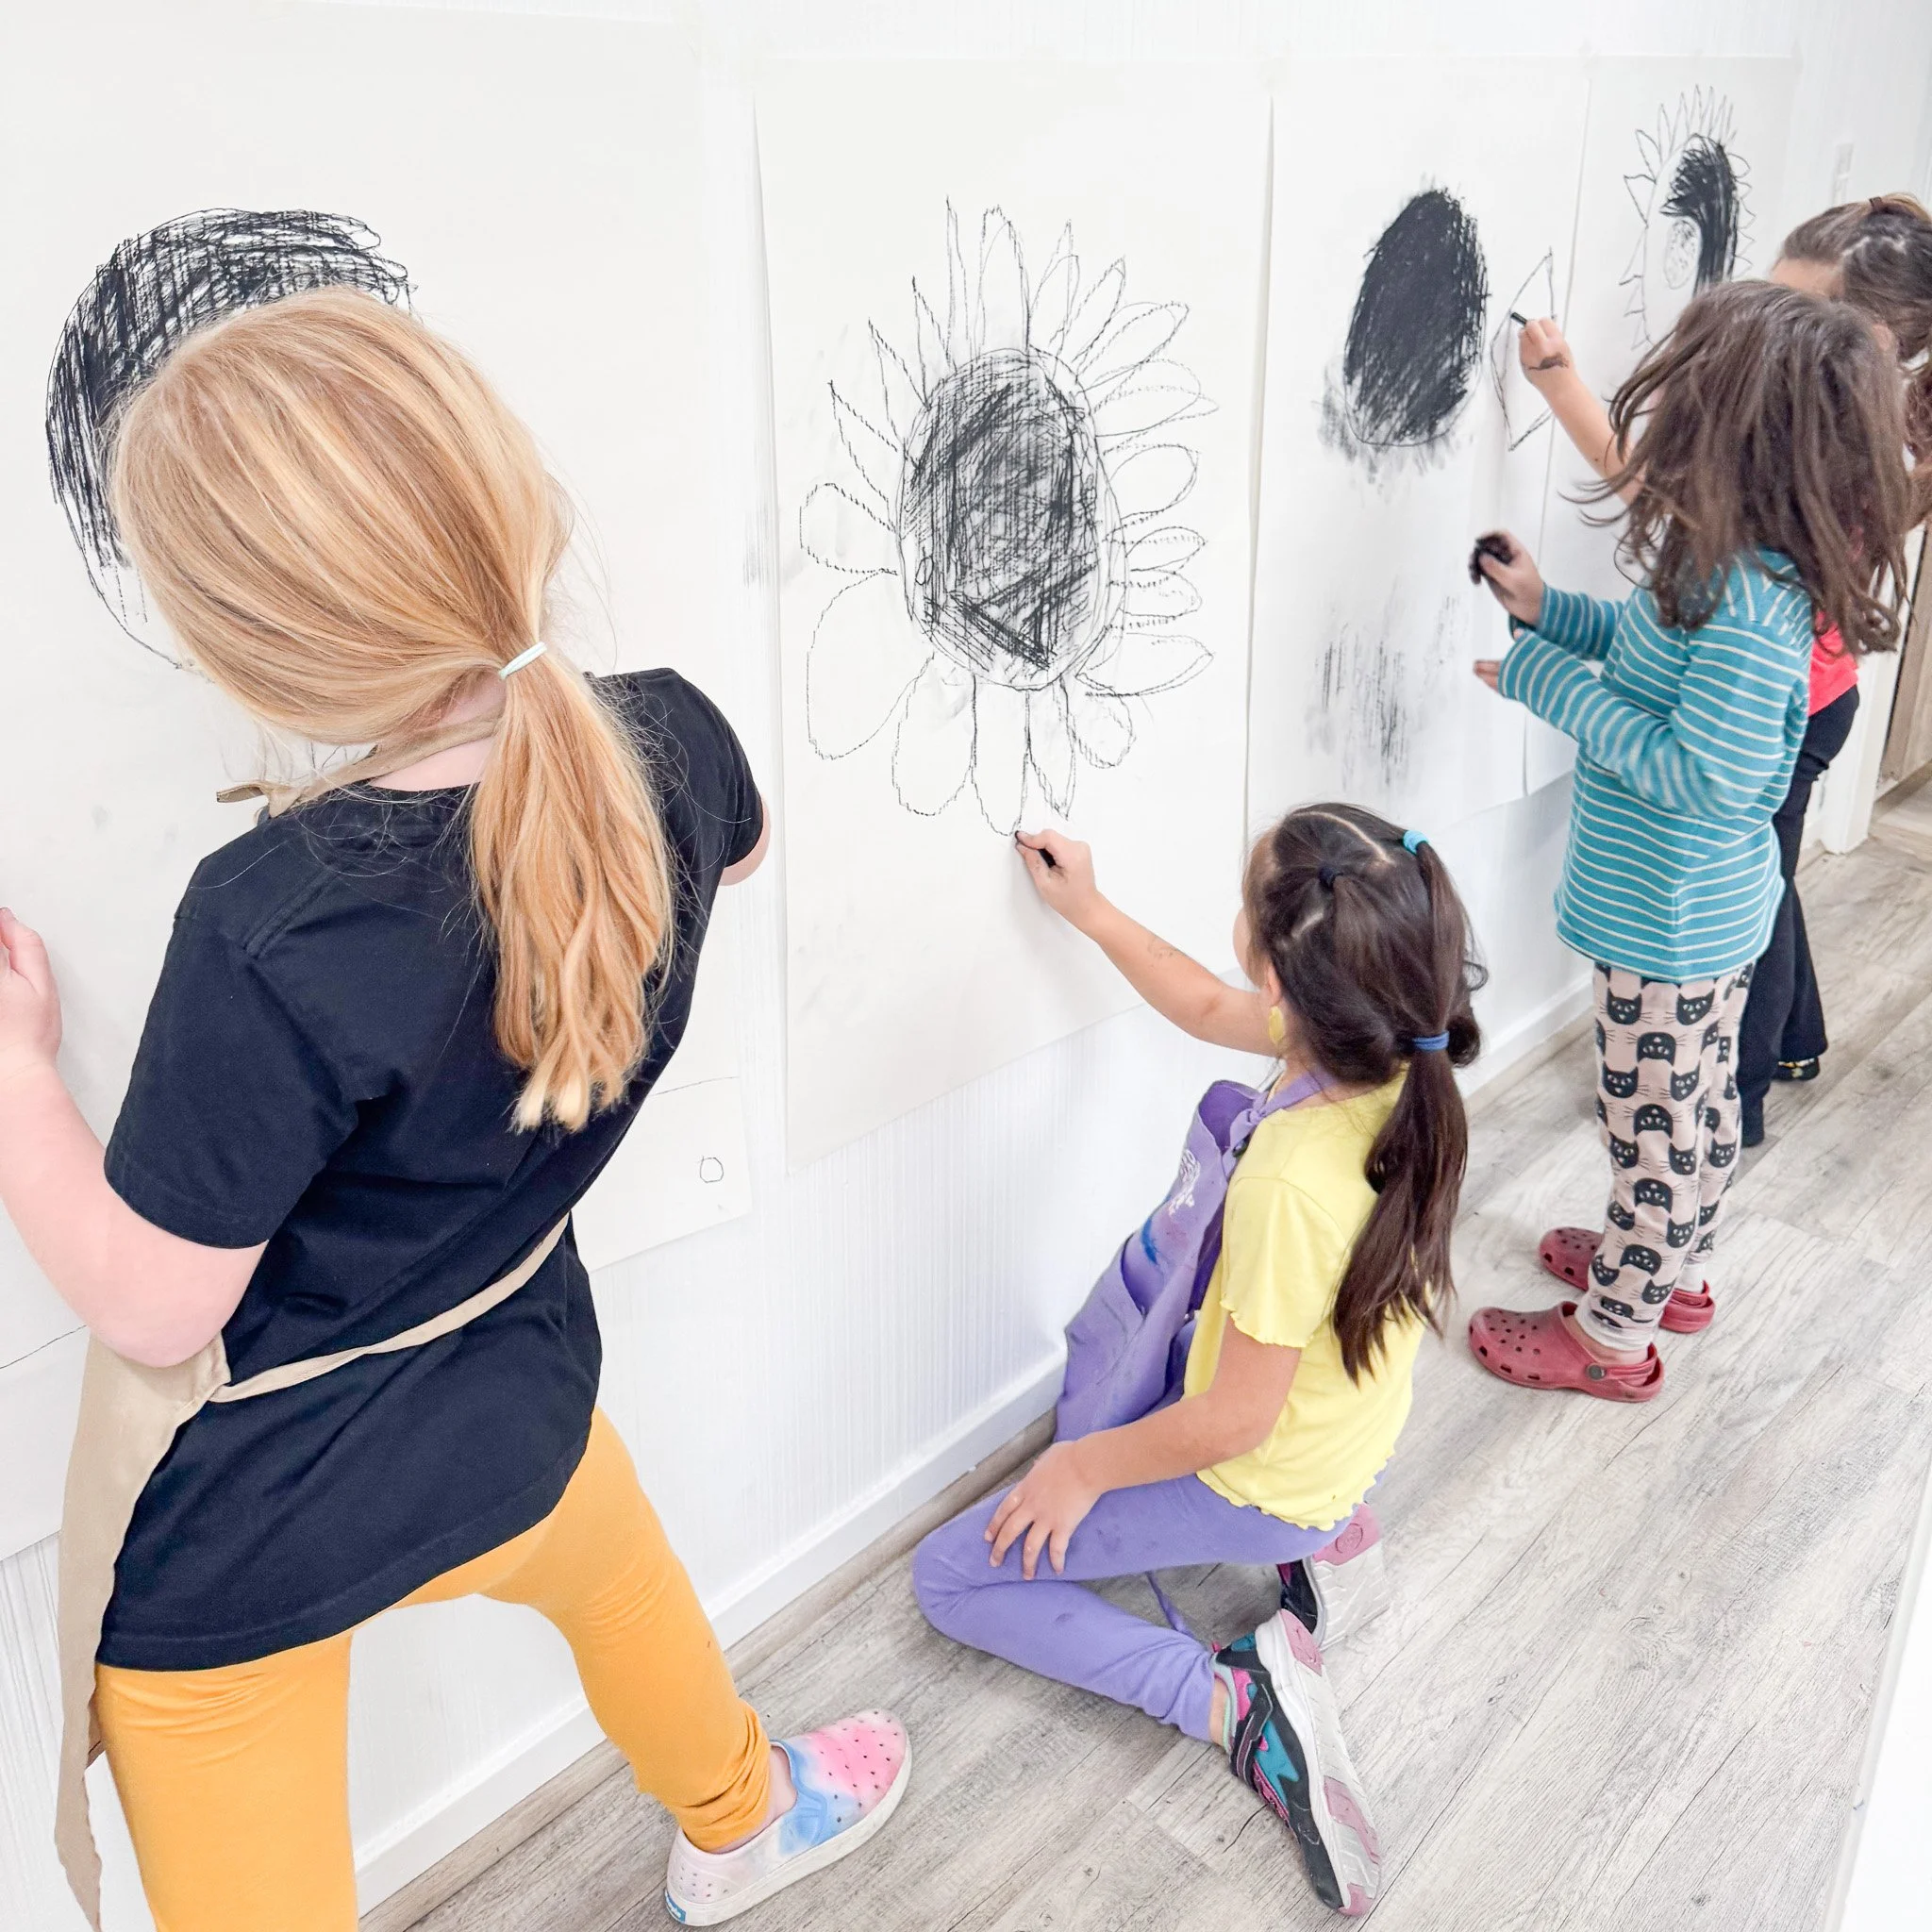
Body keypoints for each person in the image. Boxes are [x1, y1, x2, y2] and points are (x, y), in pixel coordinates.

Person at [0, 290, 906, 1932]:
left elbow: (151, 1298)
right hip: (514, 1399)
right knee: (629, 1588)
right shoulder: (673, 737)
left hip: (252, 1529)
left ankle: (743, 1807)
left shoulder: (270, 918)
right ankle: (745, 1814)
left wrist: (11, 1078)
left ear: (249, 655)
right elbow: (743, 848)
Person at [912, 805, 1485, 1920]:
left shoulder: (1290, 1176)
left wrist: (1079, 1470)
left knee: (950, 1574)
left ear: (1276, 967)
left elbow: (1230, 1419)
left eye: (1239, 896)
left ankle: (1232, 1699)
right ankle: (1326, 1529)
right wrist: (1087, 908)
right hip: (1347, 1437)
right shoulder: (1390, 1055)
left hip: (1264, 1474)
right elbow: (1196, 1000)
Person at [1469, 280, 1910, 1395]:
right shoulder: (1727, 565)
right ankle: (1670, 1269)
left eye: (1686, 410)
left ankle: (1612, 1333)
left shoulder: (1751, 604)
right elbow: (1643, 644)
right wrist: (1545, 613)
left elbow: (1701, 777)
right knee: (1697, 1108)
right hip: (1694, 915)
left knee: (1656, 1134)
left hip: (1669, 927)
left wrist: (1543, 682)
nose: (1661, 431)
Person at [1515, 194, 1932, 1145]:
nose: (1755, 334)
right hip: (1784, 700)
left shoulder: (1822, 466)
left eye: (1783, 316)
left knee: (1755, 896)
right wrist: (1561, 388)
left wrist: (1554, 678)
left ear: (1857, 344)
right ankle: (1777, 1049)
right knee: (1759, 886)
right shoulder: (1830, 429)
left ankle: (1734, 1096)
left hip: (1775, 710)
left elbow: (1651, 490)